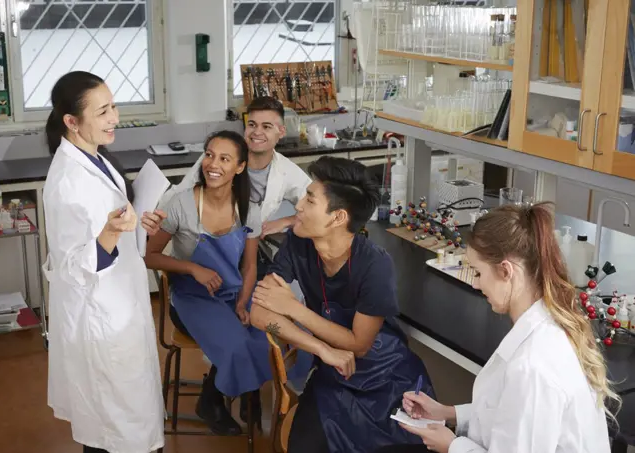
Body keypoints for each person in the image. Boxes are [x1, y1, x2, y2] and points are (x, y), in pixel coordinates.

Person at [377, 203, 619, 453]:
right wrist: (448, 414)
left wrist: (452, 446)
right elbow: (509, 411)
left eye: (478, 273)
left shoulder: (533, 367)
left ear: (506, 270)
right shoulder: (548, 322)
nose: (477, 284)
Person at [250, 156, 435, 453]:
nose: (298, 207)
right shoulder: (298, 244)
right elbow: (259, 311)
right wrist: (321, 348)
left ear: (337, 218)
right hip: (333, 371)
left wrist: (294, 309)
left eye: (309, 200)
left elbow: (359, 345)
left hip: (389, 375)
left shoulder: (375, 264)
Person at [42, 71, 167, 453]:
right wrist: (112, 234)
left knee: (126, 423)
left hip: (120, 307)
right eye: (102, 111)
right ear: (71, 121)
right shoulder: (67, 181)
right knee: (114, 431)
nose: (114, 118)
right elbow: (70, 267)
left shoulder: (93, 157)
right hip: (100, 318)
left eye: (113, 106)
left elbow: (111, 220)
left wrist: (137, 222)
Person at [144, 130, 272, 436]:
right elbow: (148, 255)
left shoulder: (249, 208)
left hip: (233, 290)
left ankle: (246, 393)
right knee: (237, 342)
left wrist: (242, 300)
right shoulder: (180, 204)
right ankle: (211, 401)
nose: (212, 164)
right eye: (210, 155)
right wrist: (190, 268)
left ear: (239, 167)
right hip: (191, 298)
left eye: (225, 159)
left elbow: (251, 265)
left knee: (265, 331)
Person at [163, 96, 311, 244]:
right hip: (203, 241)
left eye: (266, 127)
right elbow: (179, 192)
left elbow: (320, 205)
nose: (257, 132)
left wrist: (287, 221)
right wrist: (155, 219)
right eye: (252, 125)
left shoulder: (286, 170)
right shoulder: (217, 157)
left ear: (281, 132)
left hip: (247, 243)